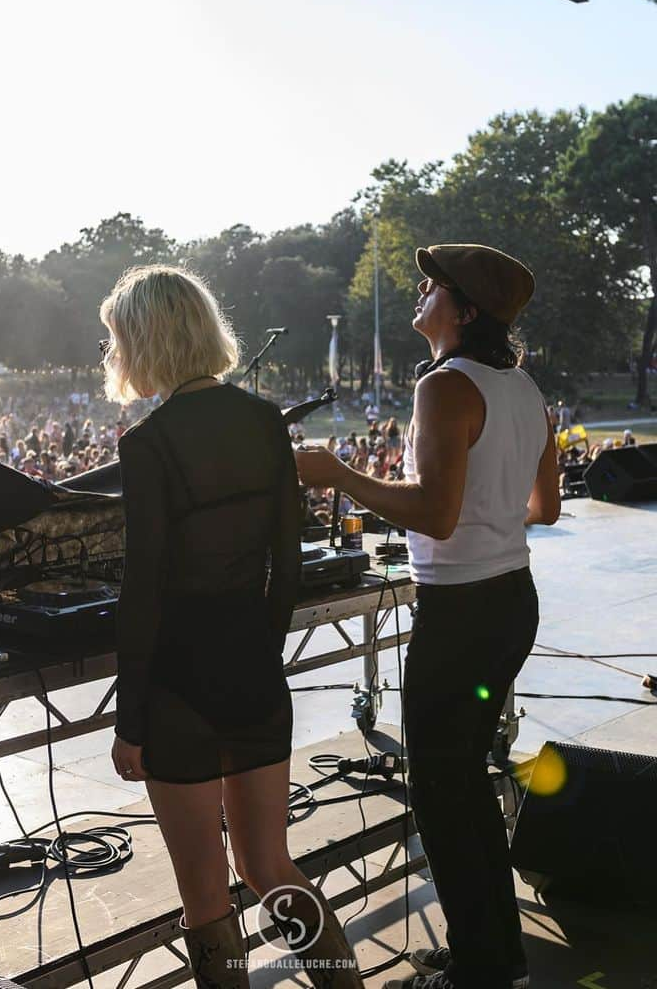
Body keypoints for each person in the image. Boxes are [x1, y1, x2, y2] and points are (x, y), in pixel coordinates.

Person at [296, 244, 558, 989]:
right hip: (512, 600)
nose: (419, 291)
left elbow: (438, 518)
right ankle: (494, 954)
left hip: (464, 612)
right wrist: (488, 512)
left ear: (464, 310)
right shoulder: (524, 387)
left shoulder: (444, 387)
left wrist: (339, 474)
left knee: (443, 796)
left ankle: (481, 968)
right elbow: (546, 507)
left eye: (432, 285)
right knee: (466, 783)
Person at [101, 265, 361, 989]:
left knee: (206, 899)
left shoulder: (148, 445)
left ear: (146, 340)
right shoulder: (263, 421)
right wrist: (257, 650)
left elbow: (143, 591)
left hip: (178, 690)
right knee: (269, 865)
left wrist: (130, 722)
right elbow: (289, 563)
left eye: (115, 338)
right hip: (253, 673)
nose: (111, 352)